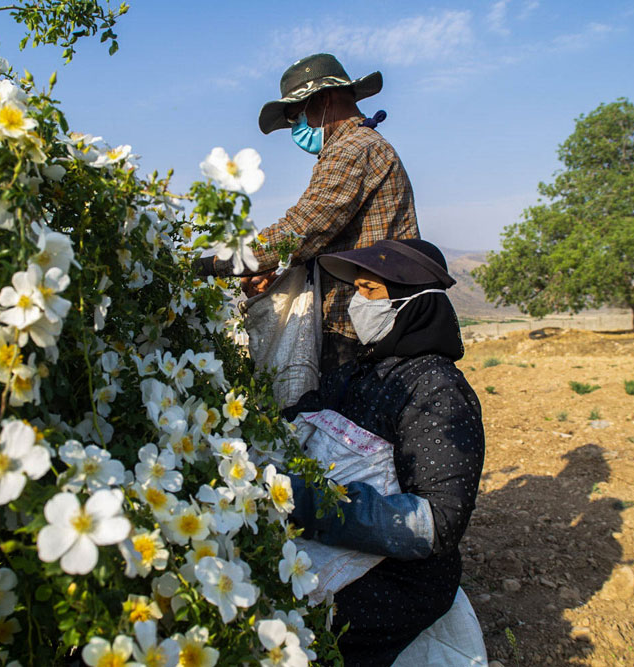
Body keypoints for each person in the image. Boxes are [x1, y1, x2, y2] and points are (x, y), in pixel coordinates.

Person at [283, 239, 485, 666]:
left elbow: (438, 522)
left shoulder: (436, 390)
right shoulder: (360, 371)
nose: (359, 303)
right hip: (340, 543)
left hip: (398, 579)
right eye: (357, 290)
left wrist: (308, 502)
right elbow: (302, 415)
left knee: (286, 625)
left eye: (370, 291)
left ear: (413, 304)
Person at [195, 53, 419, 373]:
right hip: (363, 320)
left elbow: (301, 231)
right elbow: (319, 236)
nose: (295, 128)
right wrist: (269, 270)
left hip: (366, 329)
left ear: (324, 99)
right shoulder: (353, 146)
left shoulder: (353, 148)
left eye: (295, 116)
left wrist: (217, 262)